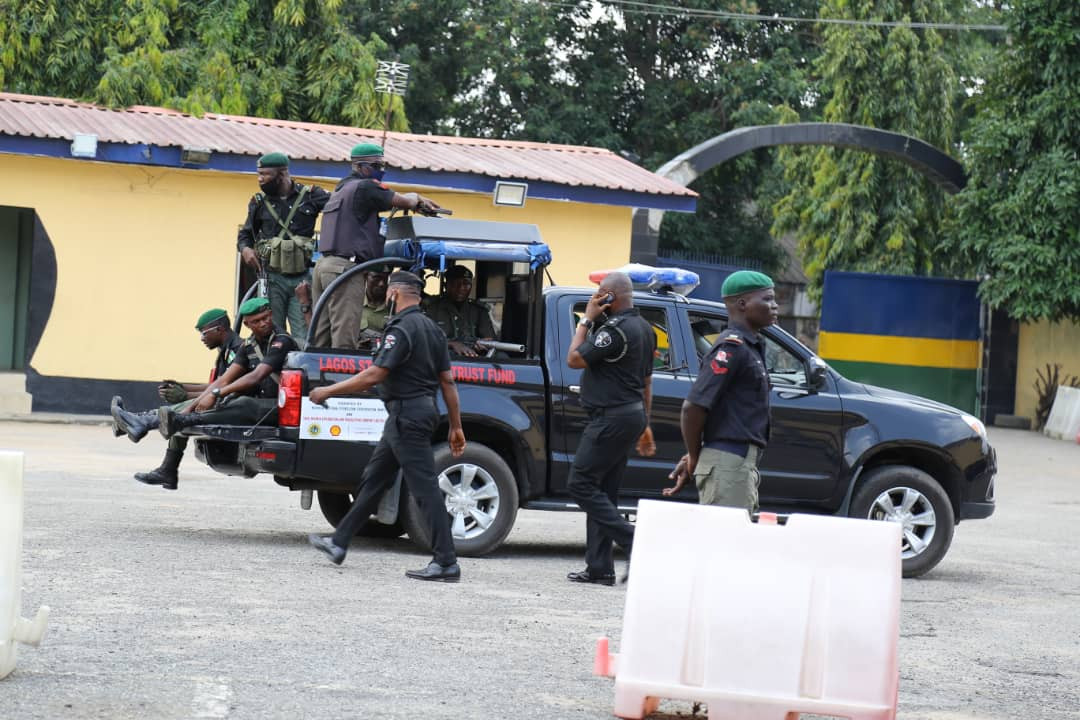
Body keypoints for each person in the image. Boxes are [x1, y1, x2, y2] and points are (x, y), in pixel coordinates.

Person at [307, 271, 466, 582]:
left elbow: (375, 374)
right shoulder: (434, 330)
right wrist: (455, 426)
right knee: (374, 479)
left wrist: (328, 391)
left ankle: (446, 562)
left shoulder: (402, 328)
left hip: (408, 417)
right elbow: (448, 381)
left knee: (424, 488)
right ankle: (339, 542)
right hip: (411, 415)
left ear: (394, 294)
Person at [565, 272, 656, 586]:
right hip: (629, 417)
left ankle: (633, 540)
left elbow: (574, 359)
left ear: (608, 296)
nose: (594, 300)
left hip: (611, 418)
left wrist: (586, 320)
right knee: (604, 491)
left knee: (580, 483)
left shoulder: (614, 331)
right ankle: (600, 567)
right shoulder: (645, 328)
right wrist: (645, 423)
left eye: (597, 295)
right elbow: (646, 382)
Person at [663, 270, 778, 513]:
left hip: (739, 463)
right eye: (767, 299)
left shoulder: (750, 346)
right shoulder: (732, 348)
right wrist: (694, 456)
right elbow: (693, 407)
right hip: (728, 464)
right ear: (743, 304)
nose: (774, 306)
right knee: (726, 545)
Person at [311, 143, 442, 349]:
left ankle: (318, 378)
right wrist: (416, 198)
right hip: (345, 268)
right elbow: (403, 201)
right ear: (361, 167)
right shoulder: (365, 186)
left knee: (322, 334)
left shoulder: (342, 188)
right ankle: (343, 379)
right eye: (378, 166)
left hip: (324, 266)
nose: (382, 170)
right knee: (346, 334)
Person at [110, 308, 244, 489]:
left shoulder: (237, 350)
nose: (202, 339)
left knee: (179, 413)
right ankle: (163, 463)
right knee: (177, 417)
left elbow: (225, 388)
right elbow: (215, 385)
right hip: (223, 398)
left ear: (219, 329)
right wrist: (183, 387)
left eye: (204, 333)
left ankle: (138, 424)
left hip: (235, 404)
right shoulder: (227, 350)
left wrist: (187, 396)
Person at [152, 297, 299, 440]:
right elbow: (223, 380)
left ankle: (181, 421)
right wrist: (190, 408)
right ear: (247, 324)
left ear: (271, 314)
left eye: (265, 318)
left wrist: (216, 394)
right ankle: (154, 420)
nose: (263, 323)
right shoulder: (248, 345)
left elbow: (256, 376)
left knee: (243, 403)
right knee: (231, 401)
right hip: (261, 404)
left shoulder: (281, 341)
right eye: (256, 321)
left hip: (281, 406)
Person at [237, 152, 330, 344]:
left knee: (304, 336)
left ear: (282, 173)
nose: (260, 179)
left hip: (302, 279)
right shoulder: (259, 203)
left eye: (265, 174)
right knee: (271, 335)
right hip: (272, 278)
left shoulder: (311, 196)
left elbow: (340, 208)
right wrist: (246, 249)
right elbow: (245, 235)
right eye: (258, 174)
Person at [424, 265, 497, 357]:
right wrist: (452, 344)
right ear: (446, 285)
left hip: (474, 356)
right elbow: (425, 340)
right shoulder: (432, 308)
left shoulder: (478, 310)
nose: (461, 288)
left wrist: (483, 343)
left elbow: (490, 338)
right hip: (443, 356)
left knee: (503, 357)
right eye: (455, 284)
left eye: (466, 284)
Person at [356, 269, 390, 351]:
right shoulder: (353, 304)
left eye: (385, 279)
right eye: (376, 278)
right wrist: (355, 346)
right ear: (365, 277)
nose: (382, 284)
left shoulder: (397, 305)